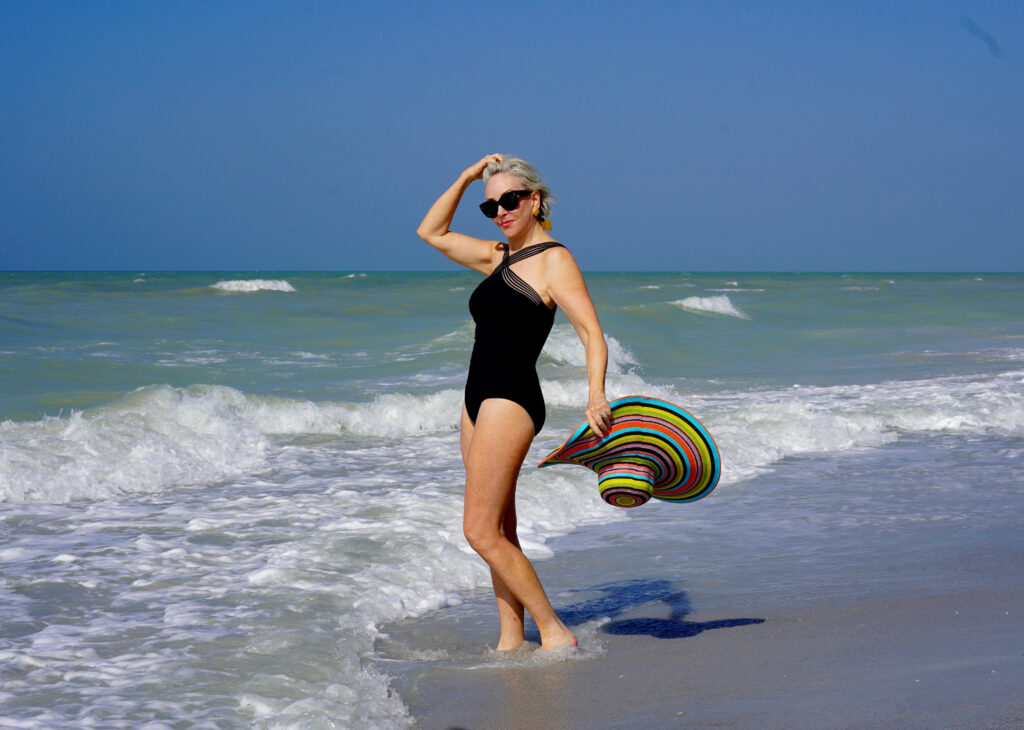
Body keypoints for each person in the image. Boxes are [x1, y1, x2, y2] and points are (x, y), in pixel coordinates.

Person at [417, 153, 611, 651]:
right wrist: (464, 177)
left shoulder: (554, 260)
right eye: (491, 206)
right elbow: (431, 232)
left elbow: (591, 332)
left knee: (478, 531)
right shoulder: (498, 256)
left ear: (535, 199)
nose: (501, 210)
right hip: (476, 397)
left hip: (513, 396)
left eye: (510, 200)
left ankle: (554, 631)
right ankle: (510, 637)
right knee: (500, 525)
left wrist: (595, 394)